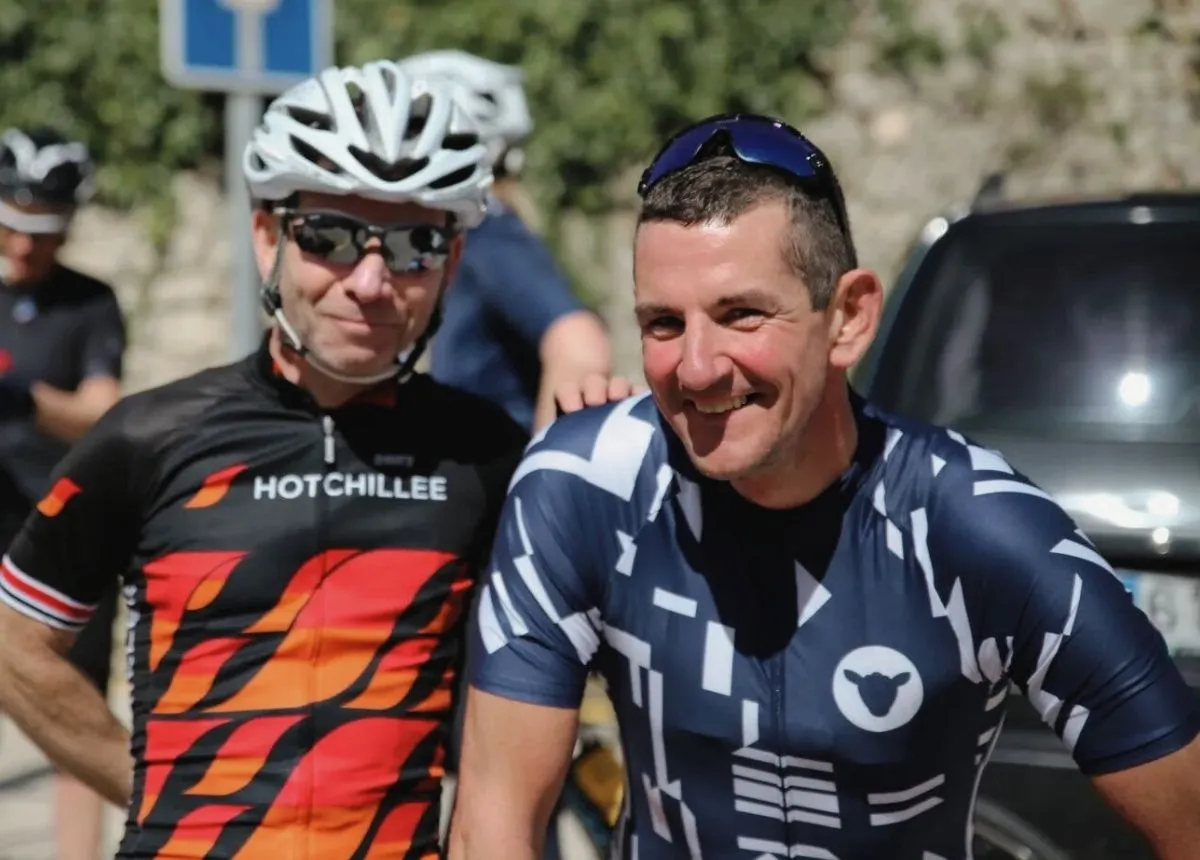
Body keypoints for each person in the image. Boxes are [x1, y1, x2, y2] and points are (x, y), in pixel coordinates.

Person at [448, 113, 1200, 860]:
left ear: (848, 318)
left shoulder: (976, 526)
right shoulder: (583, 487)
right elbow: (494, 824)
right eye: (663, 324)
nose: (698, 367)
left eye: (741, 315)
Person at [0, 60, 539, 858]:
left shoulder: (489, 453)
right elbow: (15, 645)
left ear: (450, 266)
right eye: (328, 236)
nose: (370, 280)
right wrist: (150, 788)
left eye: (413, 245)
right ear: (267, 238)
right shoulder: (146, 438)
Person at [0, 125, 125, 860]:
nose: (23, 247)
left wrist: (22, 395)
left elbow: (104, 409)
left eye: (42, 234)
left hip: (60, 530)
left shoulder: (91, 304)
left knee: (71, 713)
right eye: (12, 227)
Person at [396, 50, 614, 432]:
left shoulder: (484, 231)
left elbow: (580, 343)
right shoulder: (476, 232)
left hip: (495, 476)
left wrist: (546, 476)